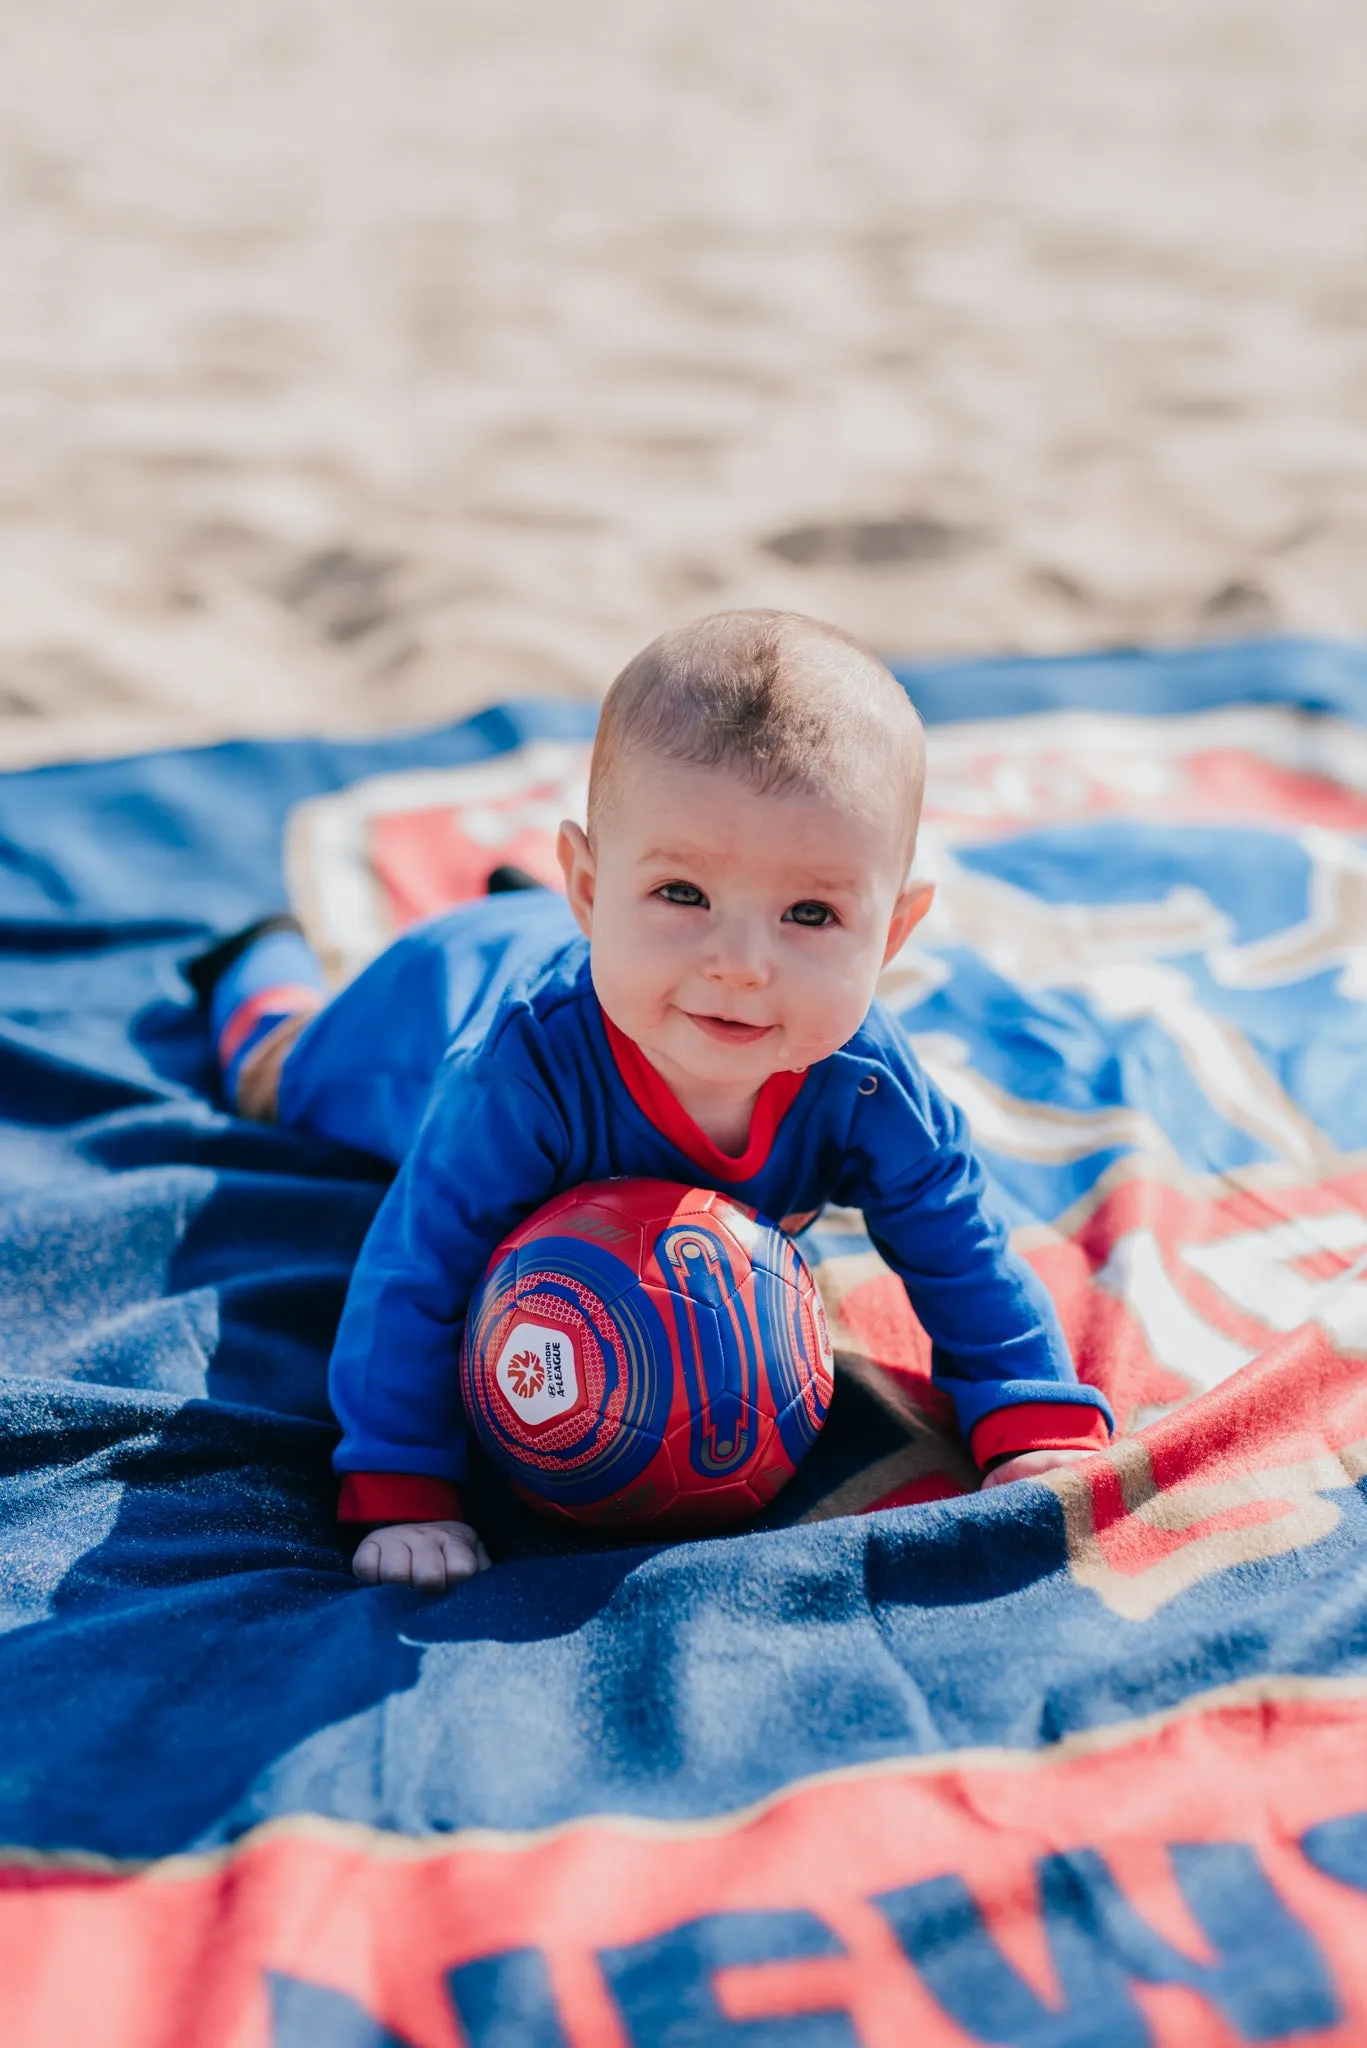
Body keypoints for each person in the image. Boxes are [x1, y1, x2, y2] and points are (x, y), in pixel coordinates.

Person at [194, 610, 1113, 1593]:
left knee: (647, 956)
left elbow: (960, 1245)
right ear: (588, 885)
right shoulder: (516, 1075)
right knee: (281, 1081)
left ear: (891, 931)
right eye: (683, 892)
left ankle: (578, 902)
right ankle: (260, 963)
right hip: (436, 1002)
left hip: (585, 941)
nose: (740, 966)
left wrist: (1030, 1415)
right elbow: (414, 1270)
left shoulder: (866, 1080)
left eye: (809, 913)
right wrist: (403, 1482)